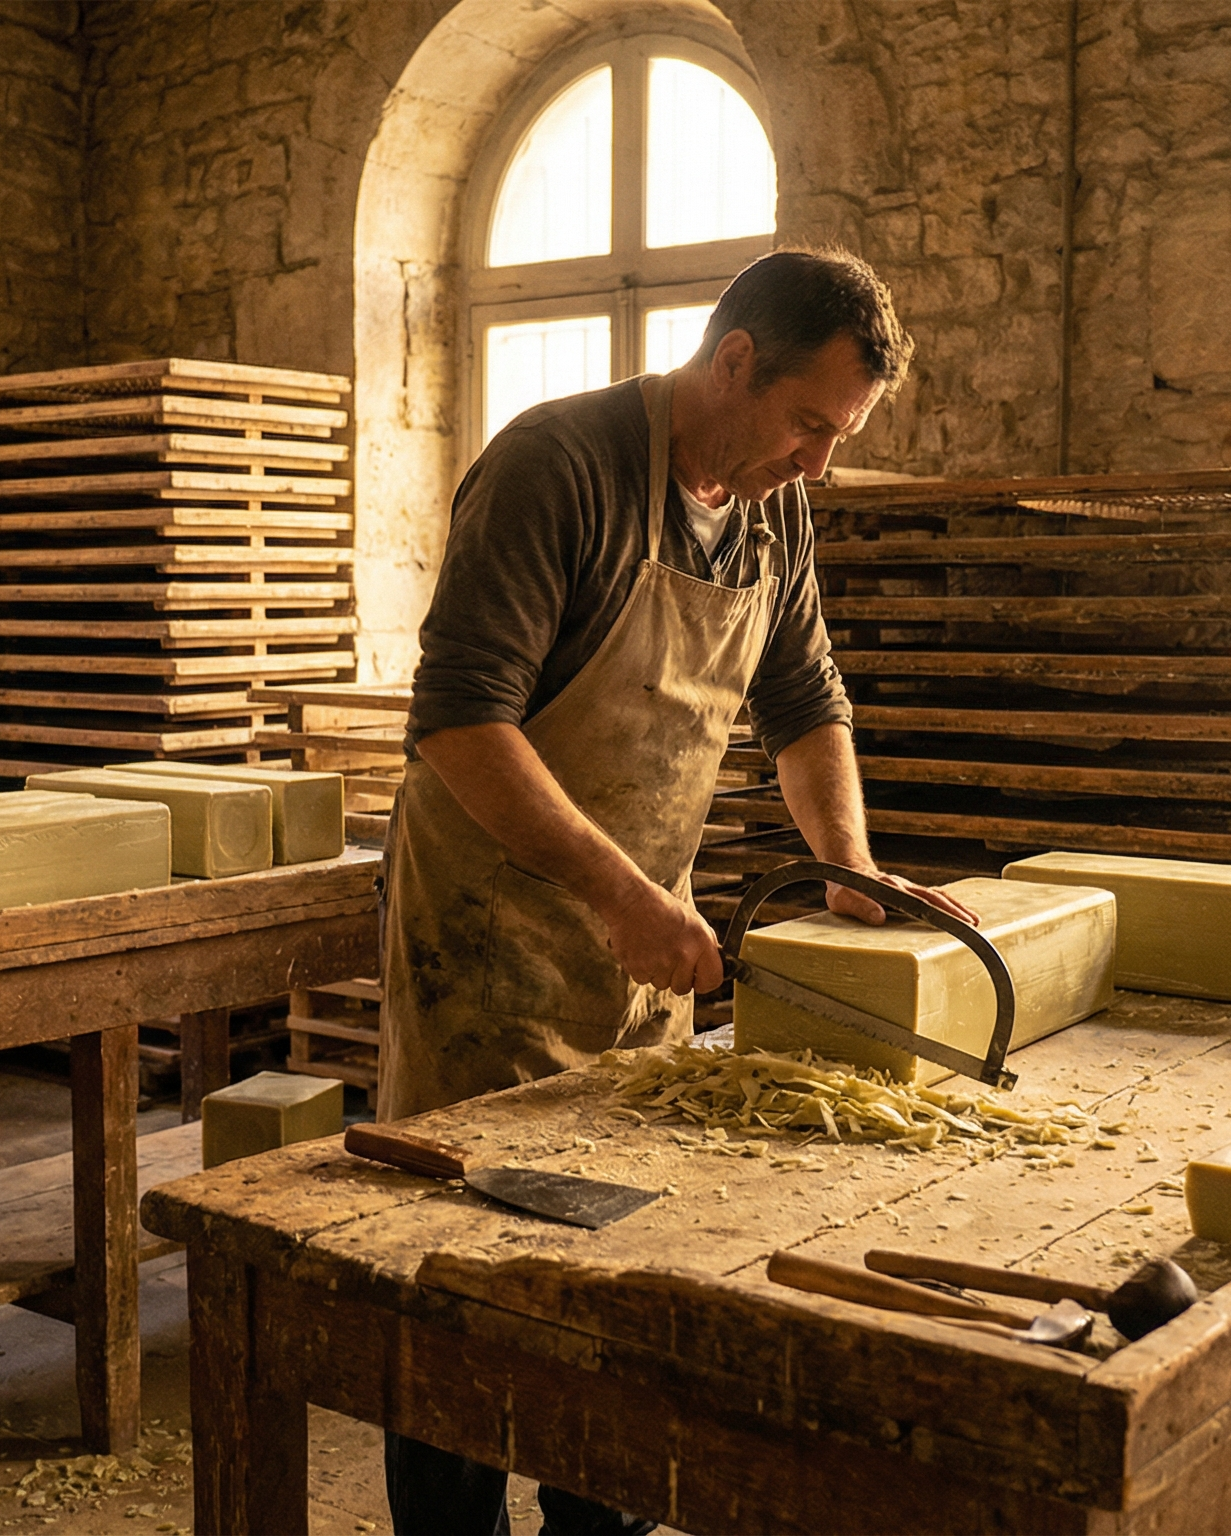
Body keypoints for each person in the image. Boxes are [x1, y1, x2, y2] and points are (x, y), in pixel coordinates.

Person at [376, 248, 979, 1534]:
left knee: (629, 1281)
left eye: (840, 437)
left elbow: (805, 702)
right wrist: (615, 892)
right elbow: (460, 721)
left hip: (645, 942)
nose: (819, 461)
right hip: (488, 948)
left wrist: (851, 871)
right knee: (467, 1289)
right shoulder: (560, 467)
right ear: (734, 361)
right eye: (810, 424)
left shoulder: (773, 506)